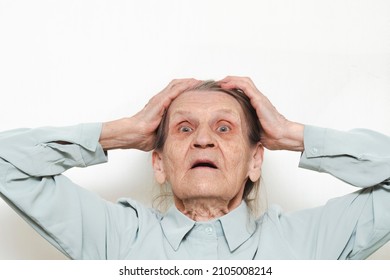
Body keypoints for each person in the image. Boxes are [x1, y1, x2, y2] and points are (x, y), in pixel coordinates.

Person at [0, 76, 389, 259]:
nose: (204, 140)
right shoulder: (115, 237)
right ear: (159, 163)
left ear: (256, 160)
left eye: (224, 127)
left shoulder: (309, 242)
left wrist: (291, 134)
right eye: (185, 128)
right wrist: (121, 132)